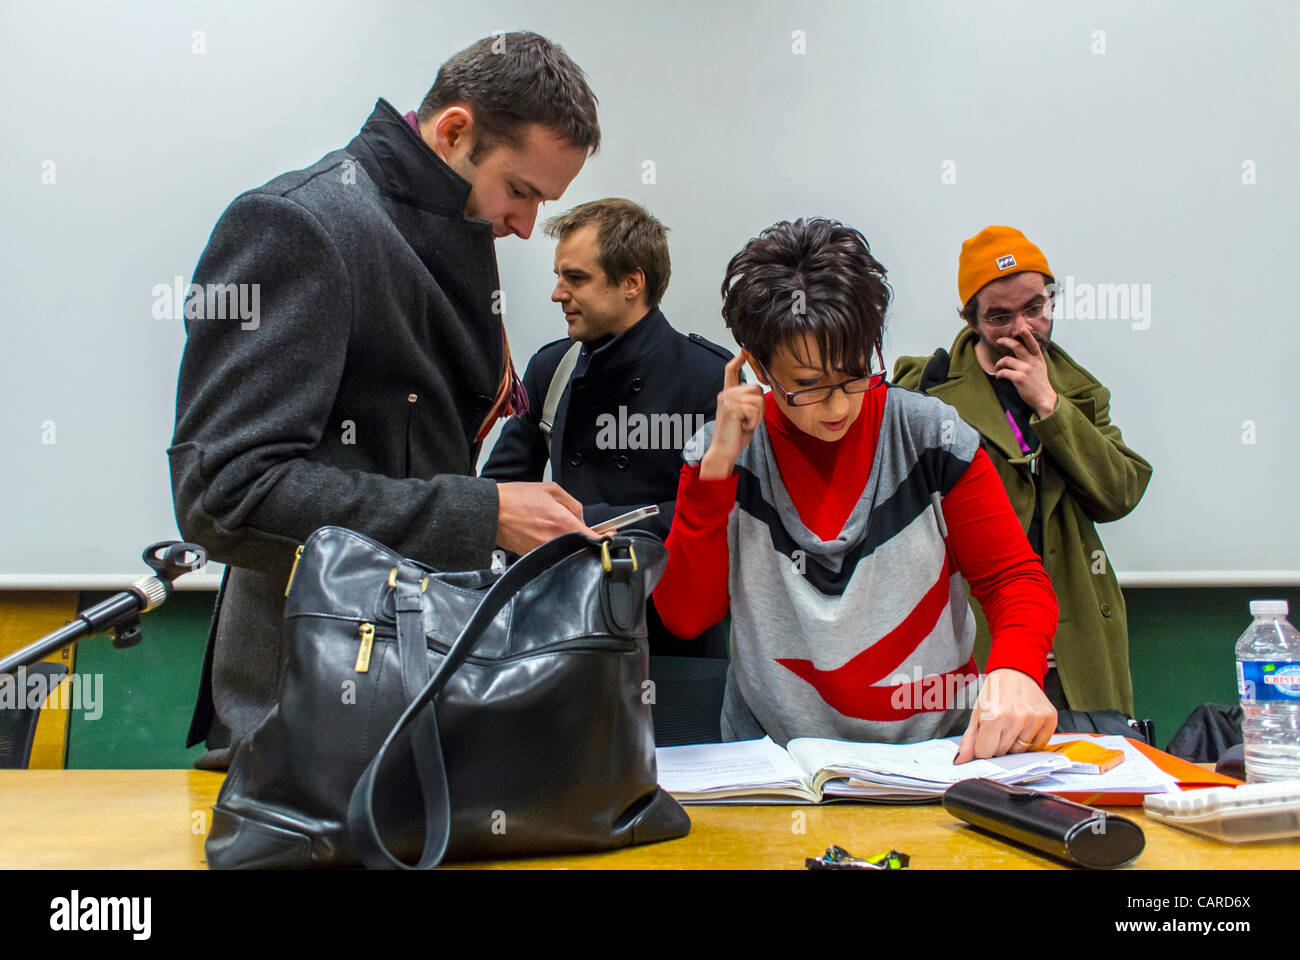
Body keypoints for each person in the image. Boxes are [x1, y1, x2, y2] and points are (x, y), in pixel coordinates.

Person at [168, 32, 601, 769]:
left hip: (405, 708)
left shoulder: (424, 227)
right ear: (454, 129)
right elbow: (224, 494)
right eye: (521, 190)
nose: (527, 226)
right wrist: (486, 513)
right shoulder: (300, 224)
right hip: (308, 724)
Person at [651, 218, 1059, 760]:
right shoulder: (723, 454)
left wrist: (1014, 671)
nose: (840, 406)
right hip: (773, 764)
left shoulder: (929, 435)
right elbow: (685, 616)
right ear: (757, 365)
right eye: (807, 386)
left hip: (929, 756)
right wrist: (716, 471)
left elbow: (1014, 580)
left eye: (854, 373)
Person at [893, 226, 1151, 715]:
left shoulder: (1078, 390)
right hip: (977, 640)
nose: (1022, 328)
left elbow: (1118, 494)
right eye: (999, 316)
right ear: (969, 319)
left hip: (1076, 643)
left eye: (1036, 307)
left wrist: (1050, 406)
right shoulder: (926, 388)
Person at [481, 198, 731, 656]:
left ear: (633, 282)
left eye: (575, 278)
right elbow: (499, 489)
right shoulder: (550, 367)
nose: (557, 293)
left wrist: (584, 521)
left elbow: (724, 510)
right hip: (565, 625)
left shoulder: (709, 376)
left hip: (674, 635)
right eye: (558, 276)